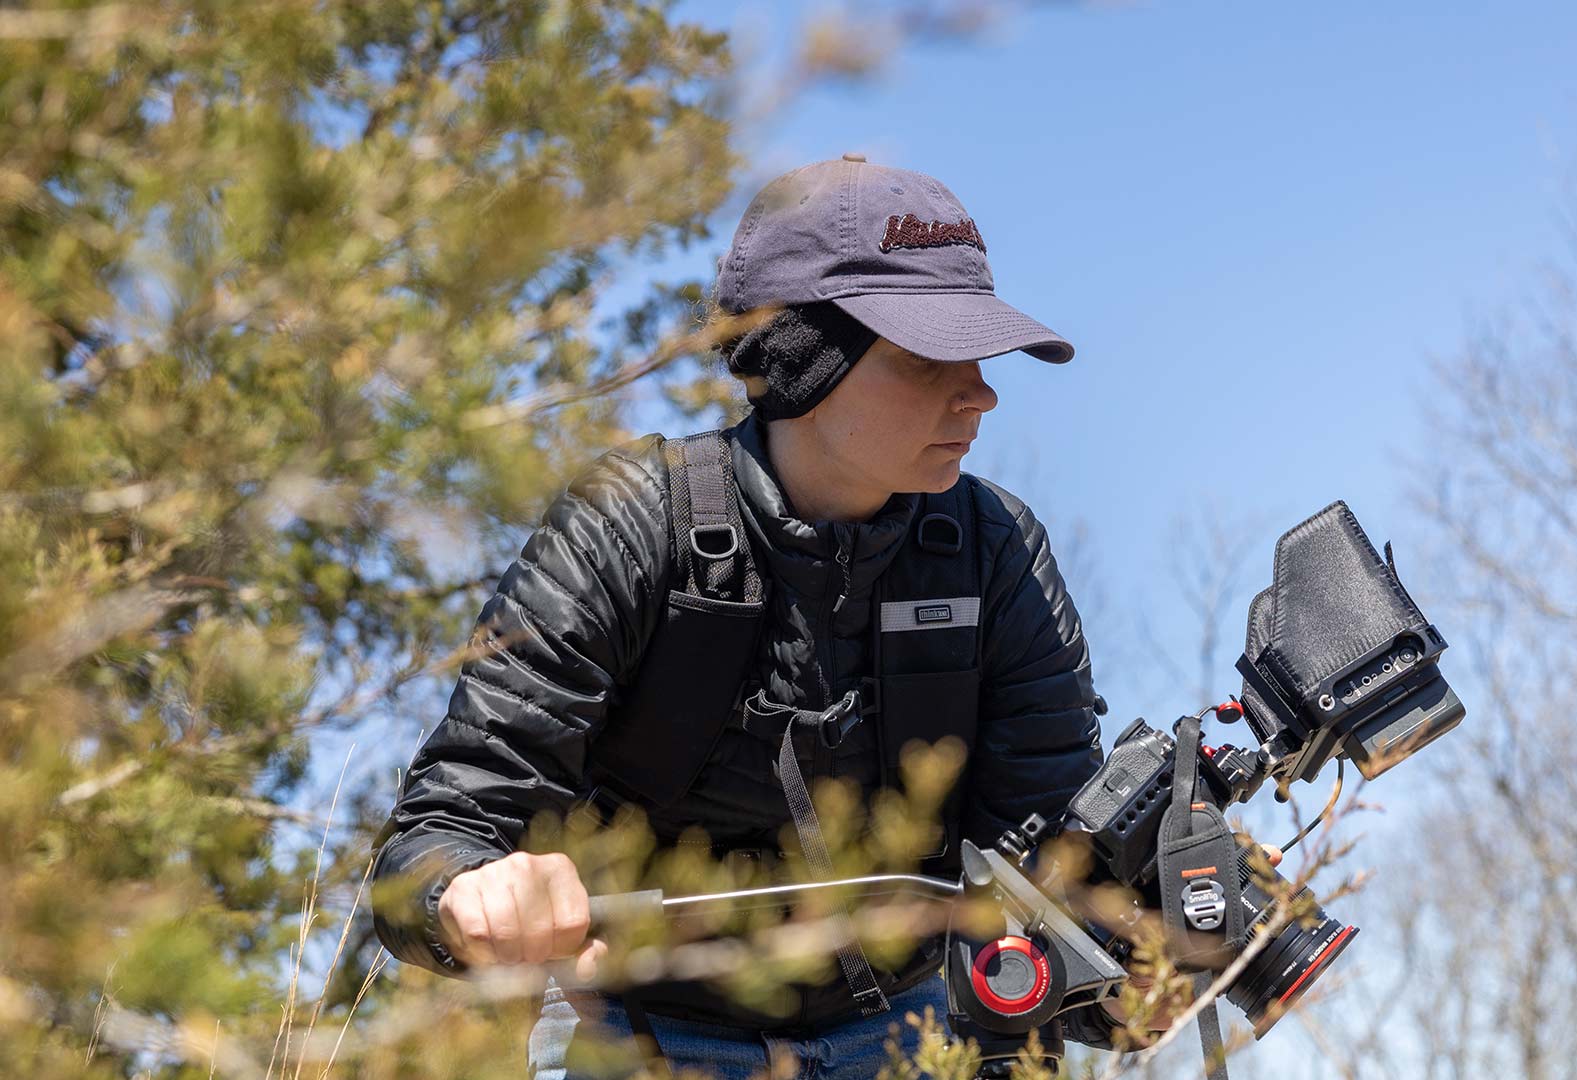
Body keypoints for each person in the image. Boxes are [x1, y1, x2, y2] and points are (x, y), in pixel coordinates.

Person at [371, 154, 1132, 1079]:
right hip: (645, 1032)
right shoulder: (630, 524)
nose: (980, 393)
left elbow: (1050, 852)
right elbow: (442, 828)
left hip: (916, 1024)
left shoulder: (995, 548)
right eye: (928, 356)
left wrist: (1159, 922)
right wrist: (470, 892)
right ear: (801, 360)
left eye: (978, 356)